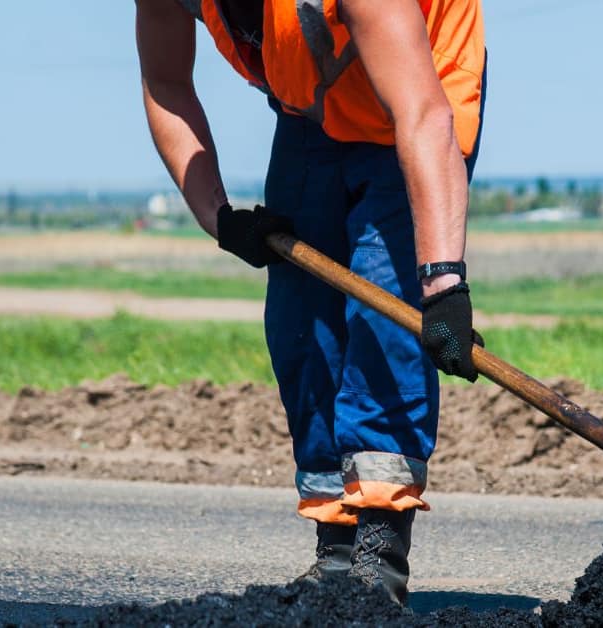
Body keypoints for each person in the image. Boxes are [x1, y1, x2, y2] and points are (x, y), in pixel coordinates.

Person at [134, 0, 485, 605]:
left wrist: (443, 286)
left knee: (384, 320)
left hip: (417, 94)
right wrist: (218, 217)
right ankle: (337, 552)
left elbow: (423, 115)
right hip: (311, 113)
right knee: (302, 327)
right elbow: (166, 85)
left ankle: (380, 558)